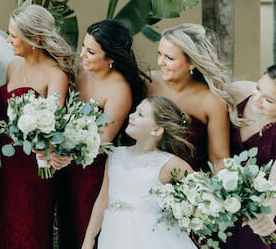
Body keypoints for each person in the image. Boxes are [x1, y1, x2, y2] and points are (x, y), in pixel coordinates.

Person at [57, 19, 150, 248]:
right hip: (65, 168)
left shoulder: (119, 89)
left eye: (90, 52)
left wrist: (65, 151)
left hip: (94, 175)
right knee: (66, 229)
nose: (82, 55)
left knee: (86, 232)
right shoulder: (78, 73)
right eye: (83, 48)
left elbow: (102, 140)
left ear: (110, 59)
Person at [0, 4, 74, 249]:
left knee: (31, 229)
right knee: (5, 227)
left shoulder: (56, 75)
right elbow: (2, 117)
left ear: (34, 38)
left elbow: (53, 126)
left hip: (36, 167)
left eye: (14, 35)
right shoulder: (13, 66)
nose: (8, 40)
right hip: (9, 164)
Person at [82, 96, 197, 249]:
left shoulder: (169, 164)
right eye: (135, 111)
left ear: (156, 130)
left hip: (149, 238)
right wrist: (89, 239)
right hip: (112, 235)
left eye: (140, 114)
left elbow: (203, 194)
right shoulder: (115, 154)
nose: (132, 115)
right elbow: (102, 200)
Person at [147, 23, 233, 170]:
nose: (160, 62)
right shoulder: (148, 83)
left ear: (192, 63)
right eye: (159, 54)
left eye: (169, 58)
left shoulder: (211, 102)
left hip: (186, 184)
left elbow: (219, 159)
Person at [226, 65, 276, 248]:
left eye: (269, 100)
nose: (257, 99)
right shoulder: (236, 92)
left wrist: (268, 214)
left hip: (253, 212)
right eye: (258, 88)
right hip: (218, 201)